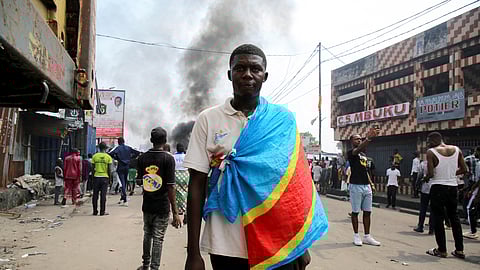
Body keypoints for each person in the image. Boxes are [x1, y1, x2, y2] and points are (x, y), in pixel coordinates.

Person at [183, 44, 328, 270]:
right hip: (225, 243)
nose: (247, 74)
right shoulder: (208, 119)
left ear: (265, 76)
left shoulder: (283, 120)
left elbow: (296, 188)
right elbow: (196, 185)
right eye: (240, 68)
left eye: (255, 69)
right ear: (229, 74)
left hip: (278, 243)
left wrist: (300, 244)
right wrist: (193, 254)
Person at [137, 127, 182, 270]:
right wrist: (175, 212)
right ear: (165, 141)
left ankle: (145, 265)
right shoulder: (168, 159)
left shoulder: (142, 158)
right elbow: (170, 186)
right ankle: (154, 267)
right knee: (158, 238)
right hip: (162, 206)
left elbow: (139, 181)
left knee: (147, 234)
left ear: (151, 140)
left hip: (147, 205)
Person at [424, 132, 467, 259]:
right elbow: (464, 169)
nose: (428, 144)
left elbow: (431, 174)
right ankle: (459, 250)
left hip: (438, 187)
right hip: (452, 187)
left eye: (428, 141)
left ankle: (442, 250)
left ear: (433, 140)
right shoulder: (456, 149)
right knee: (454, 217)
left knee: (438, 218)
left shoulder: (431, 152)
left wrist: (425, 178)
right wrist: (451, 173)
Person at [347, 130, 381, 247]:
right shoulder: (351, 153)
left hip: (366, 186)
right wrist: (369, 139)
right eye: (356, 139)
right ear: (351, 142)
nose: (359, 140)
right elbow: (357, 150)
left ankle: (367, 236)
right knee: (355, 212)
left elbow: (365, 171)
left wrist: (371, 183)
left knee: (367, 212)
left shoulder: (364, 156)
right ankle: (356, 235)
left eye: (360, 138)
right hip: (355, 186)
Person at [109, 137, 140, 206]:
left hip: (120, 166)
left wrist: (117, 158)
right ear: (124, 141)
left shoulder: (118, 148)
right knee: (125, 182)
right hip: (127, 166)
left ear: (119, 142)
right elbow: (137, 153)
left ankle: (125, 199)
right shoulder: (128, 148)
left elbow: (110, 153)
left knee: (122, 182)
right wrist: (130, 158)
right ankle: (122, 198)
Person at [91, 142, 113, 216]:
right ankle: (102, 212)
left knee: (95, 195)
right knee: (103, 196)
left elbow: (92, 168)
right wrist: (110, 179)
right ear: (105, 148)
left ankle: (95, 211)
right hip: (105, 178)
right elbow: (109, 170)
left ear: (99, 148)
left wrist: (93, 177)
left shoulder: (95, 156)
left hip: (96, 177)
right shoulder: (108, 157)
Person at [414, 159, 434, 234]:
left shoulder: (423, 163)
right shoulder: (438, 163)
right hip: (435, 188)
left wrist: (417, 184)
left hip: (425, 188)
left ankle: (420, 226)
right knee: (433, 209)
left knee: (423, 208)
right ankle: (431, 229)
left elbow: (420, 175)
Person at [174, 143, 188, 216]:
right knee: (186, 193)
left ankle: (180, 209)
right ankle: (185, 209)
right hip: (186, 176)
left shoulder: (173, 157)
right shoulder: (187, 156)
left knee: (177, 194)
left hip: (176, 176)